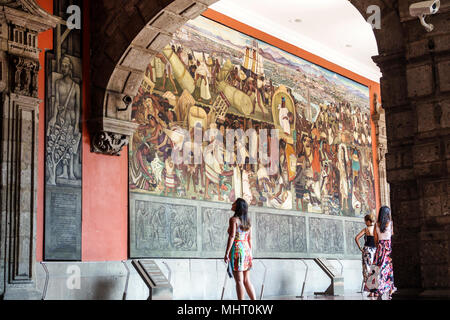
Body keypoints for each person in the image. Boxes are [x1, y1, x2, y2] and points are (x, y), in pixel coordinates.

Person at [224, 198, 256, 300]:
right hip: (246, 249)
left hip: (237, 249)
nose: (232, 204)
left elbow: (232, 237)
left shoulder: (233, 220)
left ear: (238, 206)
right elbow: (250, 238)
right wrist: (250, 253)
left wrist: (227, 252)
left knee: (239, 281)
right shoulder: (247, 221)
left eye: (234, 203)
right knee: (247, 280)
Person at [372, 206, 397, 299]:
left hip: (380, 248)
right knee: (390, 269)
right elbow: (393, 235)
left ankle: (379, 289)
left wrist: (379, 247)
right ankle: (390, 290)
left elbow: (375, 238)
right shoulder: (390, 223)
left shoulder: (376, 225)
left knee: (378, 269)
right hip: (388, 248)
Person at [355, 214, 377, 297]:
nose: (365, 222)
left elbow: (356, 237)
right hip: (375, 250)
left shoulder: (366, 229)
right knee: (374, 270)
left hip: (367, 251)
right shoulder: (376, 229)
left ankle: (371, 291)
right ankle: (375, 291)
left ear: (368, 221)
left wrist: (360, 248)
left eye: (365, 221)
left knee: (367, 270)